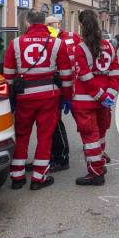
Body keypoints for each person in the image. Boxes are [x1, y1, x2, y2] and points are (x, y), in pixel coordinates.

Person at [2, 9, 72, 190]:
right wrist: (66, 97)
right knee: (45, 137)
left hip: (24, 96)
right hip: (49, 97)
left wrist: (10, 98)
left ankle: (17, 177)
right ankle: (39, 178)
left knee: (22, 135)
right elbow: (66, 73)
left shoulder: (15, 43)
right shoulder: (56, 43)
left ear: (28, 23)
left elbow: (8, 74)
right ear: (44, 22)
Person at [70, 10, 116, 186]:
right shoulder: (110, 47)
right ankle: (100, 163)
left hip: (85, 102)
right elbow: (116, 74)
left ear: (82, 26)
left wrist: (100, 96)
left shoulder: (79, 49)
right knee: (101, 134)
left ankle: (96, 173)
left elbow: (85, 77)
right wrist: (108, 96)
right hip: (104, 102)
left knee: (90, 138)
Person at [45, 15, 75, 171]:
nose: (52, 26)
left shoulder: (71, 37)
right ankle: (49, 157)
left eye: (53, 23)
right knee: (49, 124)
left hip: (66, 86)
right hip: (52, 85)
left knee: (56, 123)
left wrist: (67, 94)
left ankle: (62, 157)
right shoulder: (47, 39)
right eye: (48, 24)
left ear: (59, 23)